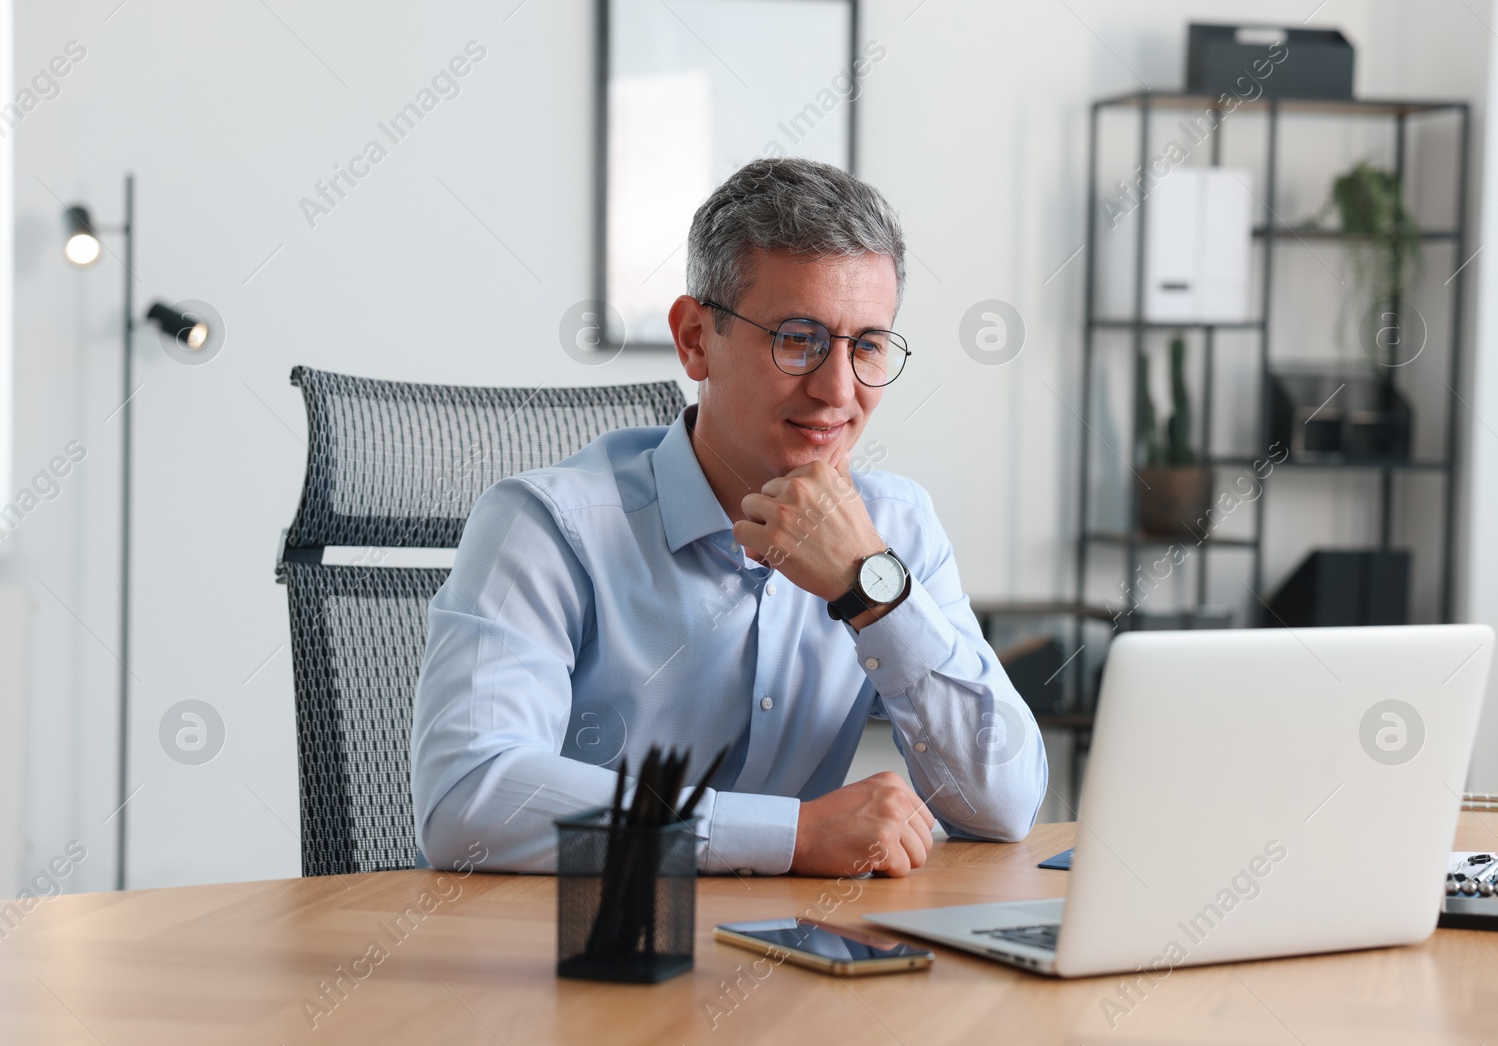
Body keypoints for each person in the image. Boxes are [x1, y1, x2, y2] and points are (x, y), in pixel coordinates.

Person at [412, 157, 1045, 878]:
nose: (838, 389)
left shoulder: (895, 531)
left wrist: (873, 590)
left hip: (794, 960)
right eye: (798, 338)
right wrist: (791, 835)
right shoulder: (548, 527)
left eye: (867, 344)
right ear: (694, 339)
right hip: (583, 960)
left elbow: (1005, 804)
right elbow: (466, 799)